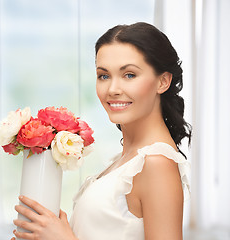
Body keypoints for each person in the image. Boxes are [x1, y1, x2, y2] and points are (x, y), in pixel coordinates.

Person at [11, 22, 192, 240]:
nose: (113, 90)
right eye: (104, 76)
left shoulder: (156, 163)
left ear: (163, 81)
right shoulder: (127, 159)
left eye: (129, 75)